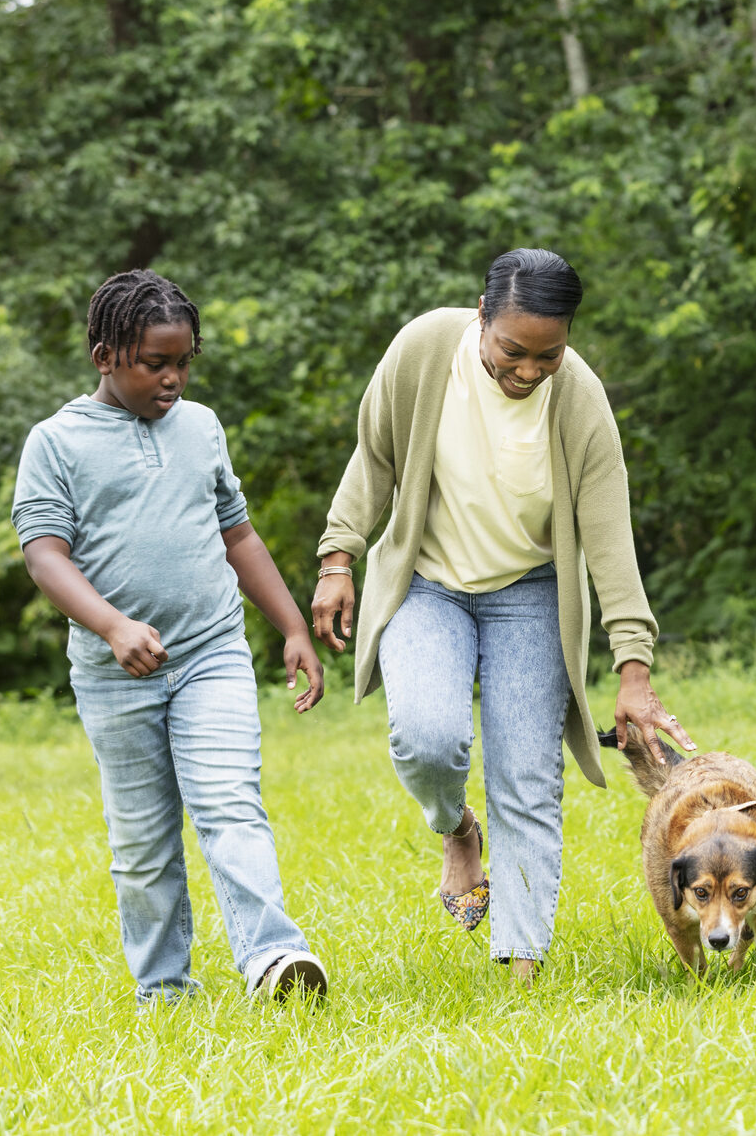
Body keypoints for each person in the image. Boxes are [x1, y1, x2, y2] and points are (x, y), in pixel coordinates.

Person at [310, 248, 694, 982]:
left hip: (530, 591)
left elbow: (612, 541)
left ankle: (522, 969)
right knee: (428, 738)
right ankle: (457, 827)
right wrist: (338, 557)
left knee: (526, 777)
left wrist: (634, 667)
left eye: (547, 354)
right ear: (480, 315)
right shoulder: (424, 351)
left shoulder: (579, 399)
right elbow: (374, 460)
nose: (527, 369)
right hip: (427, 582)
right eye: (511, 350)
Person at [12, 270, 328, 1005]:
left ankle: (275, 958)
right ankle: (164, 990)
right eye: (156, 362)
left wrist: (288, 626)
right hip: (113, 672)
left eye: (184, 361)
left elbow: (237, 532)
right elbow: (44, 553)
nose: (174, 378)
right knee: (144, 844)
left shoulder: (200, 426)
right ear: (104, 355)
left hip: (212, 652)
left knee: (230, 804)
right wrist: (112, 624)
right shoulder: (56, 442)